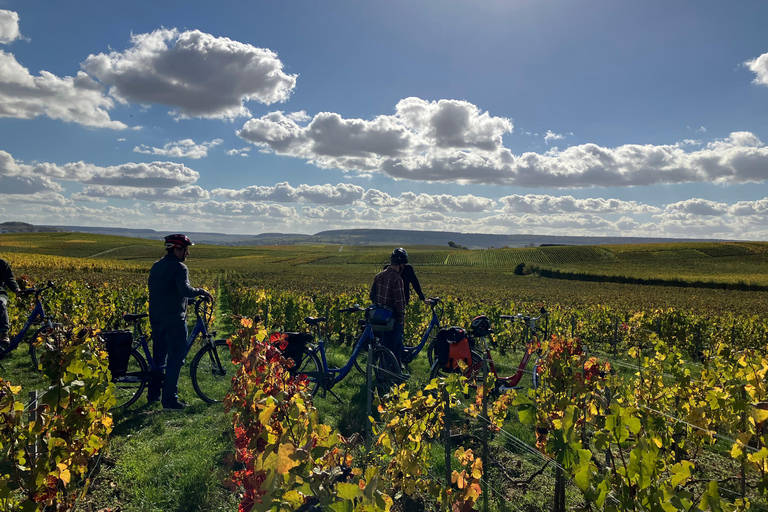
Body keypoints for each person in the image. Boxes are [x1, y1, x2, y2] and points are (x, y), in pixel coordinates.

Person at [148, 234, 212, 410]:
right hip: (174, 321)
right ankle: (170, 400)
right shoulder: (179, 268)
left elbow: (166, 292)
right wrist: (201, 292)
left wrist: (187, 301)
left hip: (156, 319)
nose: (188, 253)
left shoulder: (157, 265)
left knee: (158, 360)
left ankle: (153, 395)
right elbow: (184, 289)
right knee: (176, 359)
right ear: (176, 249)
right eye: (185, 249)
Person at [370, 250, 407, 364]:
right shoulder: (397, 279)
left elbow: (372, 295)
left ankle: (382, 372)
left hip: (380, 319)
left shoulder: (379, 275)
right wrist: (401, 320)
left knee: (384, 347)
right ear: (401, 265)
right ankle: (390, 376)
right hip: (392, 320)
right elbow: (400, 304)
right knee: (393, 351)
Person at [0, 258, 22, 348]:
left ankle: (4, 333)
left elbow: (9, 279)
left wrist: (16, 289)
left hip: (0, 293)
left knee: (0, 304)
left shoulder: (2, 264)